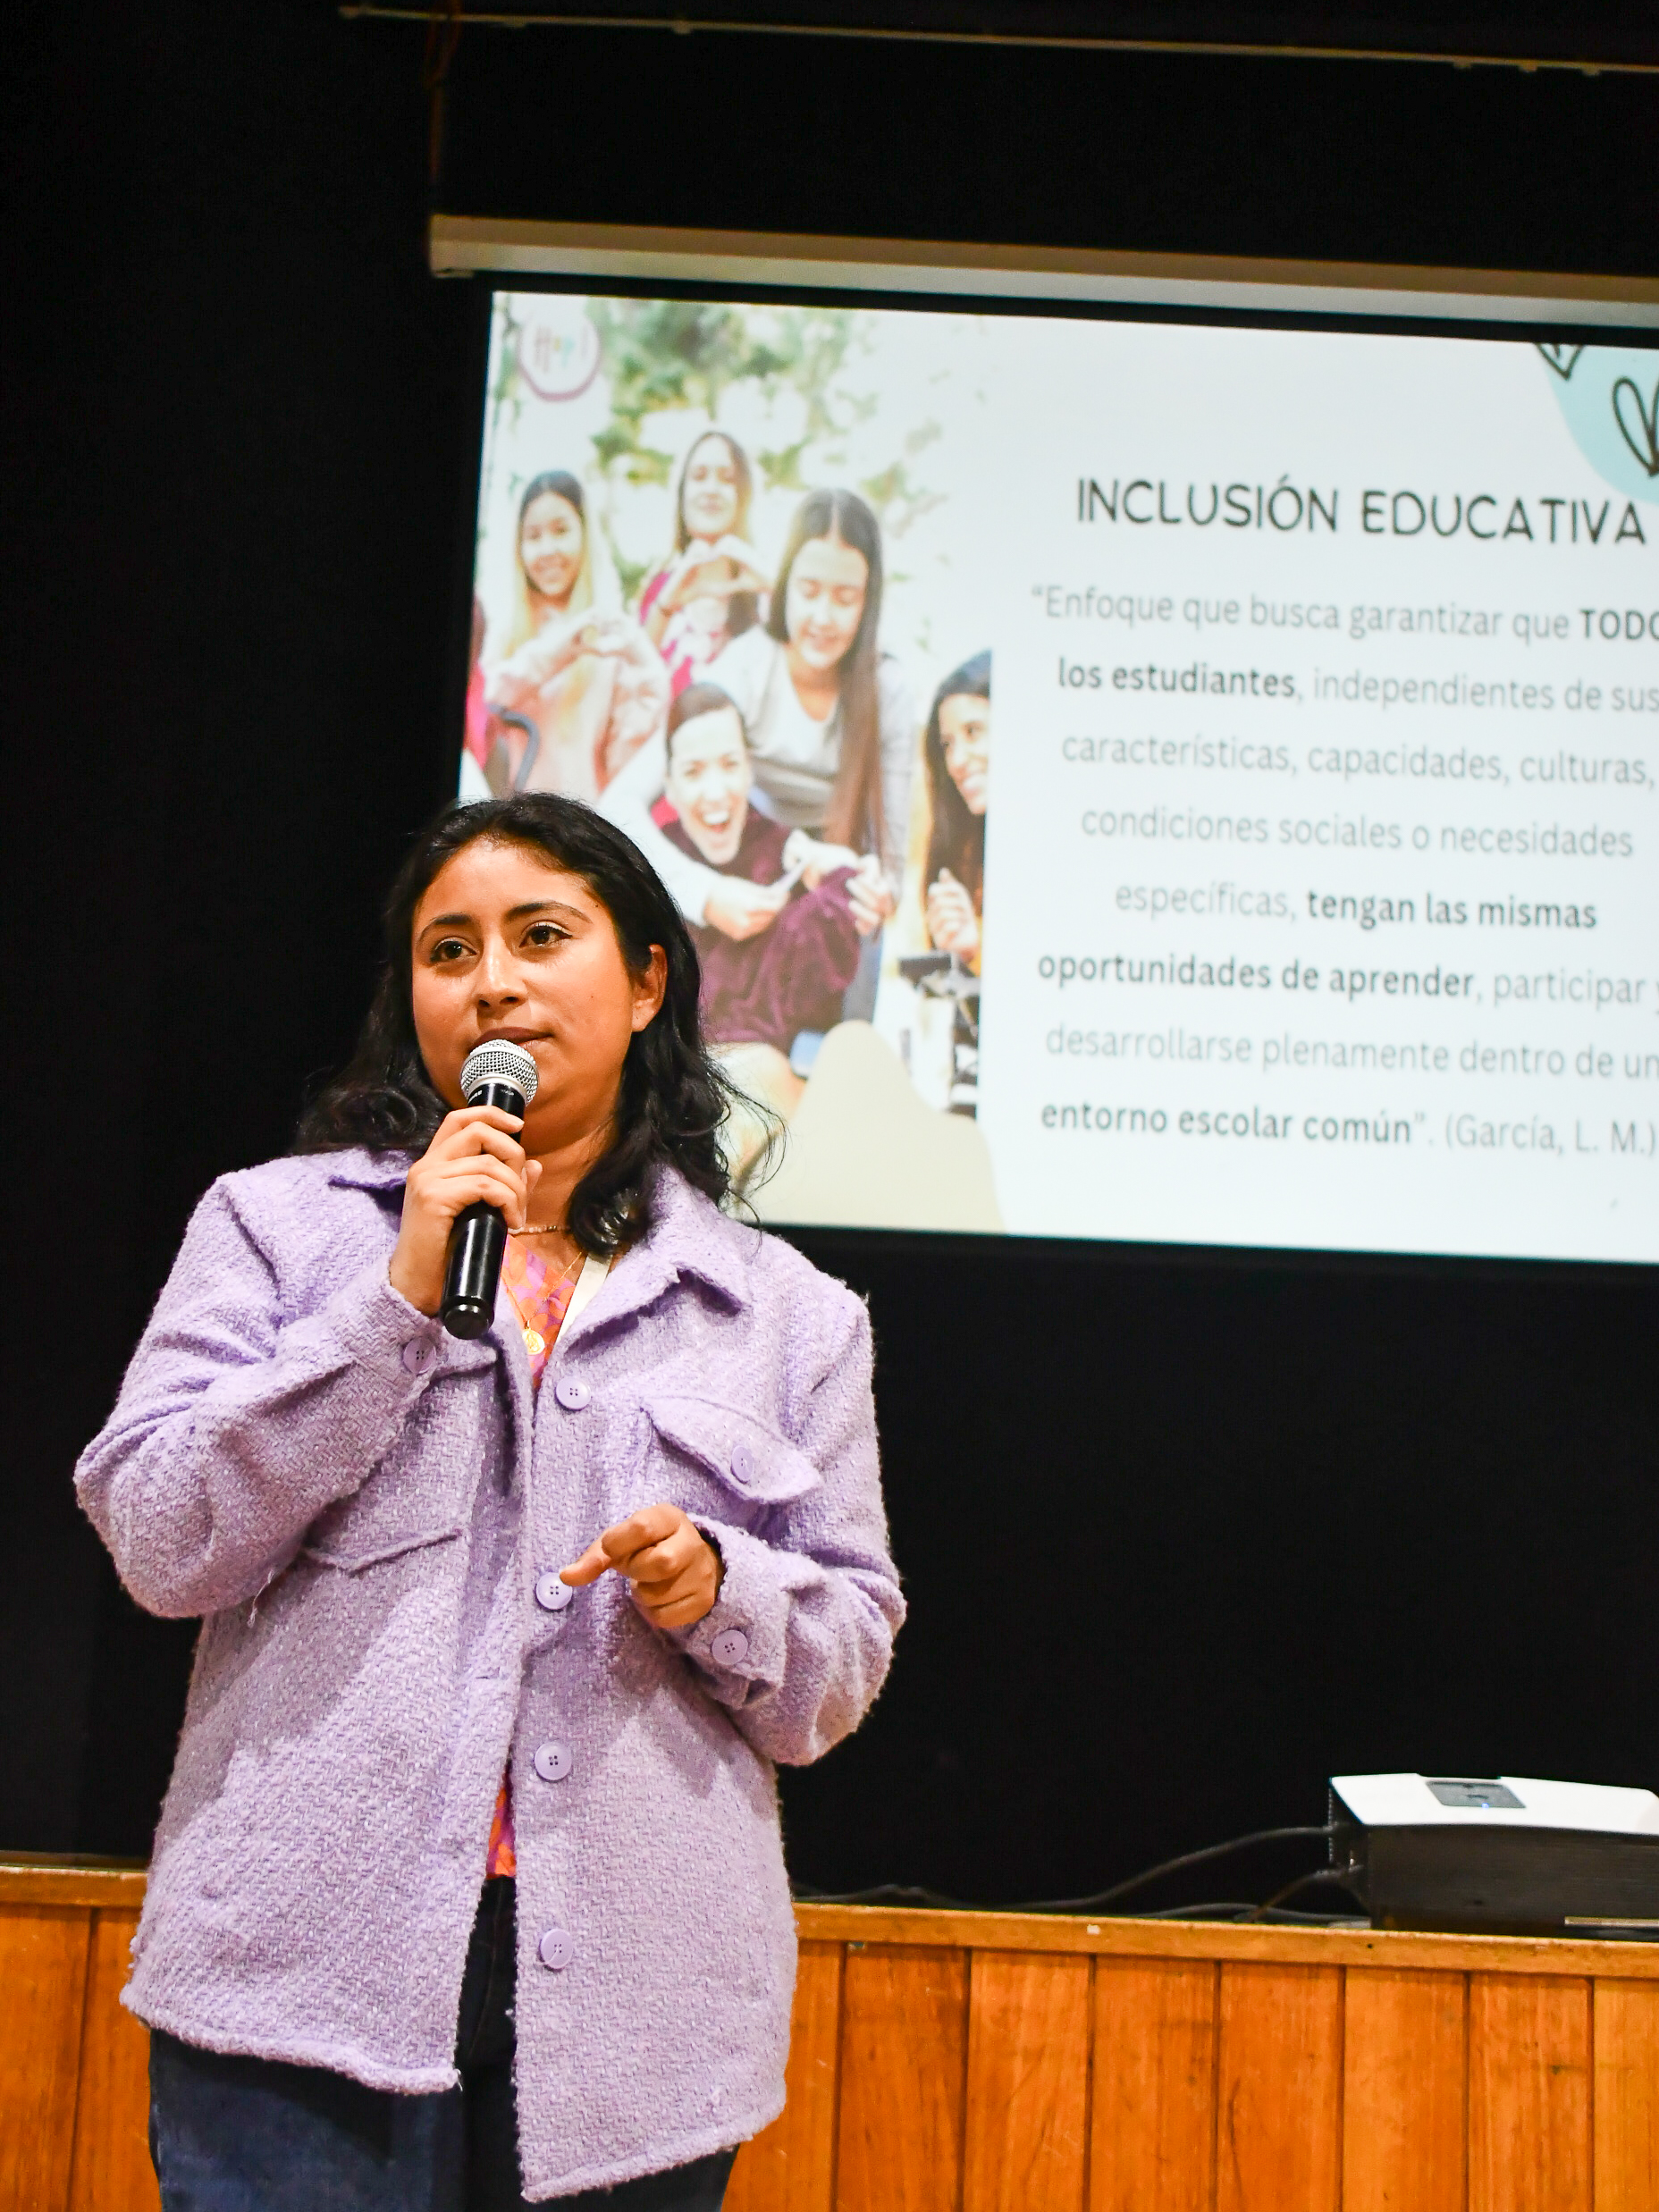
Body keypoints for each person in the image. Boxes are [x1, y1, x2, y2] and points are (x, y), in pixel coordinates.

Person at [75, 795, 903, 2210]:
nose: (493, 981)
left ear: (647, 979)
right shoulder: (272, 1227)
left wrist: (723, 1584)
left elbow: (838, 1669)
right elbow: (159, 1537)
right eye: (448, 948)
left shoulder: (787, 1315)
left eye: (541, 935)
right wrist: (391, 1302)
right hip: (299, 1981)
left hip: (636, 2018)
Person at [601, 490, 912, 956]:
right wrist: (706, 893)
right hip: (748, 886)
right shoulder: (744, 668)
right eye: (809, 591)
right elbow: (617, 804)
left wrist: (879, 891)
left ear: (868, 602)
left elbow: (892, 863)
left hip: (838, 891)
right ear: (785, 586)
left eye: (845, 598)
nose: (822, 617)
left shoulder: (888, 689)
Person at [657, 683, 865, 1164]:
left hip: (758, 1087)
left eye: (730, 765)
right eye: (694, 772)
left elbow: (826, 963)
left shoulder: (789, 858)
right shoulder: (648, 866)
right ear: (669, 786)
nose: (716, 792)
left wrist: (837, 874)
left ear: (750, 769)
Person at [487, 471, 669, 802]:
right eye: (533, 536)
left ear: (585, 534)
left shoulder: (609, 641)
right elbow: (486, 707)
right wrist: (558, 651)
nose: (548, 550)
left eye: (561, 531)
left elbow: (623, 762)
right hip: (509, 822)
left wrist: (645, 668)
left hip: (581, 824)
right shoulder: (505, 633)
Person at [636, 433, 770, 696]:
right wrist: (664, 609)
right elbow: (632, 686)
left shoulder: (765, 594)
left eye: (726, 479)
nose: (711, 490)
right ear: (682, 495)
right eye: (698, 477)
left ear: (742, 496)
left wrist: (774, 589)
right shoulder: (659, 593)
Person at [922, 652, 990, 971]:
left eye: (973, 732)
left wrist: (979, 948)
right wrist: (958, 954)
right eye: (948, 745)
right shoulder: (960, 847)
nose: (957, 762)